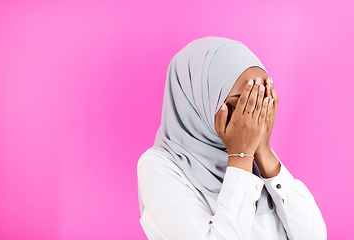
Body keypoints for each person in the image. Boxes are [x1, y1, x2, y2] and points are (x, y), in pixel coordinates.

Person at [137, 37, 327, 240]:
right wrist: (240, 156)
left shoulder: (255, 154)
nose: (251, 119)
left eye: (261, 103)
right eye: (243, 105)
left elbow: (314, 236)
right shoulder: (157, 167)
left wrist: (263, 152)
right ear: (201, 101)